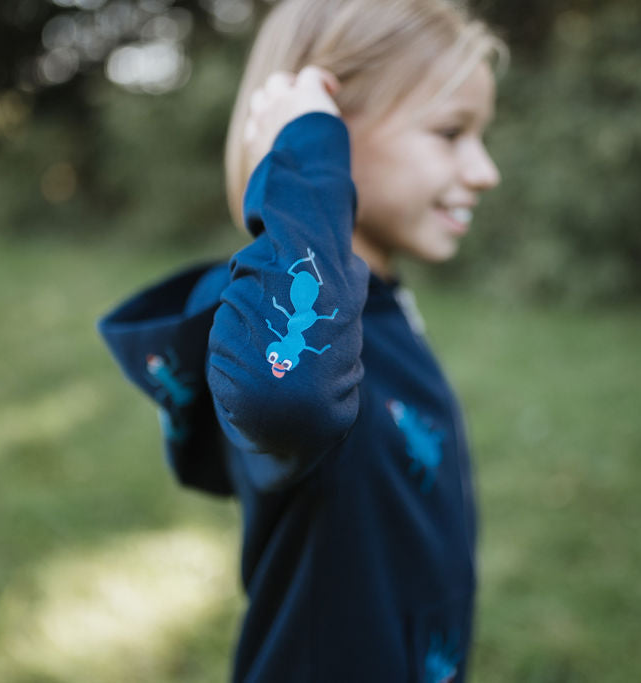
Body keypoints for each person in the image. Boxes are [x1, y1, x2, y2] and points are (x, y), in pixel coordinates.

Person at [98, 0, 504, 680]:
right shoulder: (269, 323)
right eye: (450, 131)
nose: (484, 169)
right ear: (327, 128)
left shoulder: (379, 308)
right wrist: (307, 157)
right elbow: (289, 396)